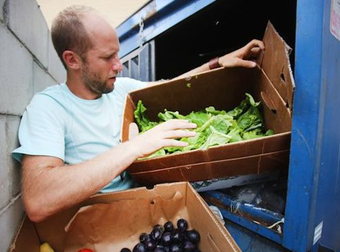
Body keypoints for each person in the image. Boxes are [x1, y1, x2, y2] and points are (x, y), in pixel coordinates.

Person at [12, 5, 265, 222]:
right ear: (73, 60)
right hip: (101, 228)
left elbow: (170, 86)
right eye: (107, 57)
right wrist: (134, 147)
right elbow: (38, 201)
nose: (119, 65)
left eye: (118, 54)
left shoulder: (121, 89)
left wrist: (217, 64)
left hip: (150, 211)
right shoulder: (48, 107)